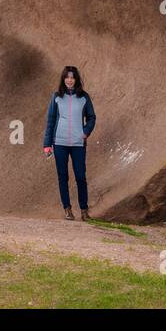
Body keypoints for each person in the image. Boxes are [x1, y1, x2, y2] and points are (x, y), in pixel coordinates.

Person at [42, 65, 96, 220]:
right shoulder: (56, 96)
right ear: (63, 79)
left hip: (78, 144)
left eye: (72, 77)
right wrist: (47, 144)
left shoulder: (84, 97)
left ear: (76, 79)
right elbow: (51, 121)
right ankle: (67, 209)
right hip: (59, 143)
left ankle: (84, 211)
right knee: (62, 176)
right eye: (67, 77)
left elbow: (92, 117)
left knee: (80, 176)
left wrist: (85, 132)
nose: (69, 80)